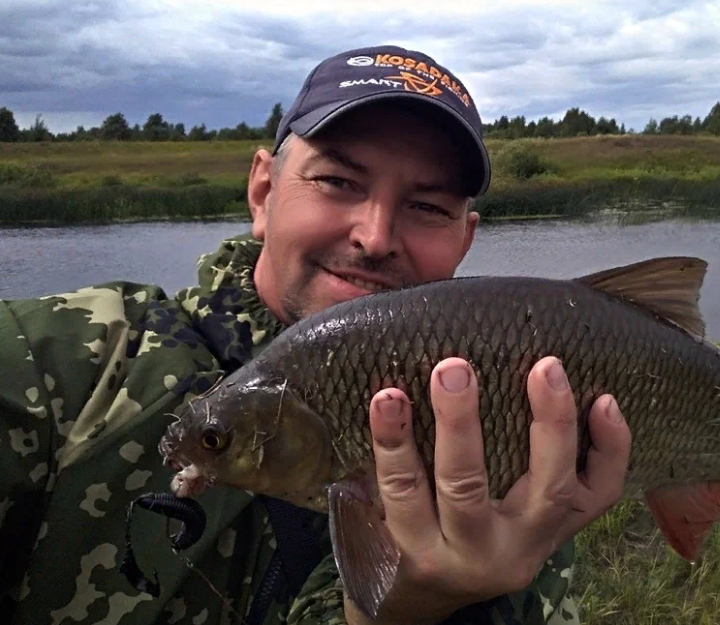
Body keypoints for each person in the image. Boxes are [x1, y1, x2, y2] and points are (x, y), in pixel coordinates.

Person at [0, 45, 631, 625]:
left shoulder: (510, 431)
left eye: (428, 207)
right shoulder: (58, 361)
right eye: (337, 182)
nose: (376, 236)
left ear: (464, 239)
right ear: (263, 190)